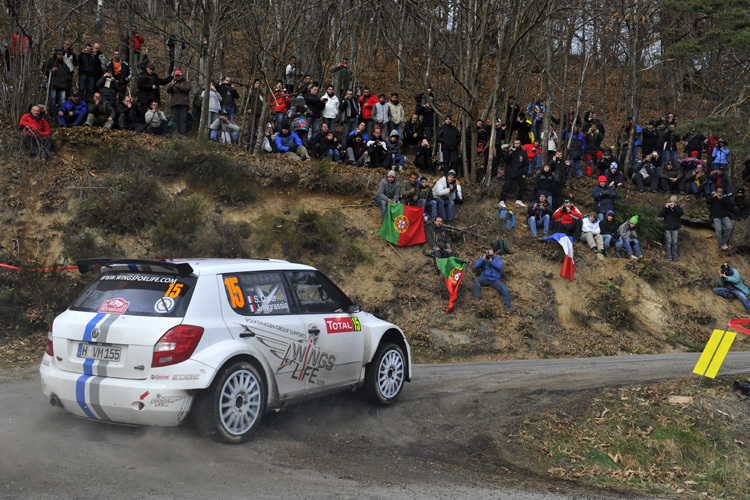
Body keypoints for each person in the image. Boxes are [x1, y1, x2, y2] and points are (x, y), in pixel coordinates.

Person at [499, 139, 529, 209]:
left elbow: (526, 163)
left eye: (518, 143)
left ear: (520, 144)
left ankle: (519, 199)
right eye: (515, 143)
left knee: (524, 185)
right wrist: (508, 153)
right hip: (510, 172)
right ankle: (502, 200)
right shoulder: (510, 151)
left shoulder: (523, 152)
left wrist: (524, 172)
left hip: (519, 172)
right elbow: (505, 159)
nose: (516, 145)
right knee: (507, 186)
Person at [44, 49, 72, 113]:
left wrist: (67, 79)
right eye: (59, 54)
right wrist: (51, 70)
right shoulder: (51, 62)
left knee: (62, 100)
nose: (61, 56)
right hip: (53, 84)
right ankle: (52, 112)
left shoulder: (64, 64)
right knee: (52, 99)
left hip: (62, 84)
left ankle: (61, 112)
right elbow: (44, 70)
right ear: (56, 55)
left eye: (62, 54)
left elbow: (68, 74)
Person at [658, 196, 684, 262]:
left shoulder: (677, 207)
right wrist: (666, 208)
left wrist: (674, 208)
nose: (672, 203)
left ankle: (675, 258)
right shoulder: (667, 208)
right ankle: (668, 256)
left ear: (675, 202)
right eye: (671, 201)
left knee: (674, 242)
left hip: (675, 228)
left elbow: (681, 213)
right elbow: (660, 215)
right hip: (667, 227)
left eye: (673, 201)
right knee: (668, 242)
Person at [167, 70, 192, 135]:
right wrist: (171, 85)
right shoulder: (173, 82)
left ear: (181, 75)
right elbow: (168, 90)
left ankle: (183, 133)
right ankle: (176, 134)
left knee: (183, 119)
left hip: (184, 103)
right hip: (174, 104)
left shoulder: (186, 82)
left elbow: (187, 89)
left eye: (179, 75)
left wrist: (178, 86)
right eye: (176, 76)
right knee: (175, 119)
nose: (177, 77)